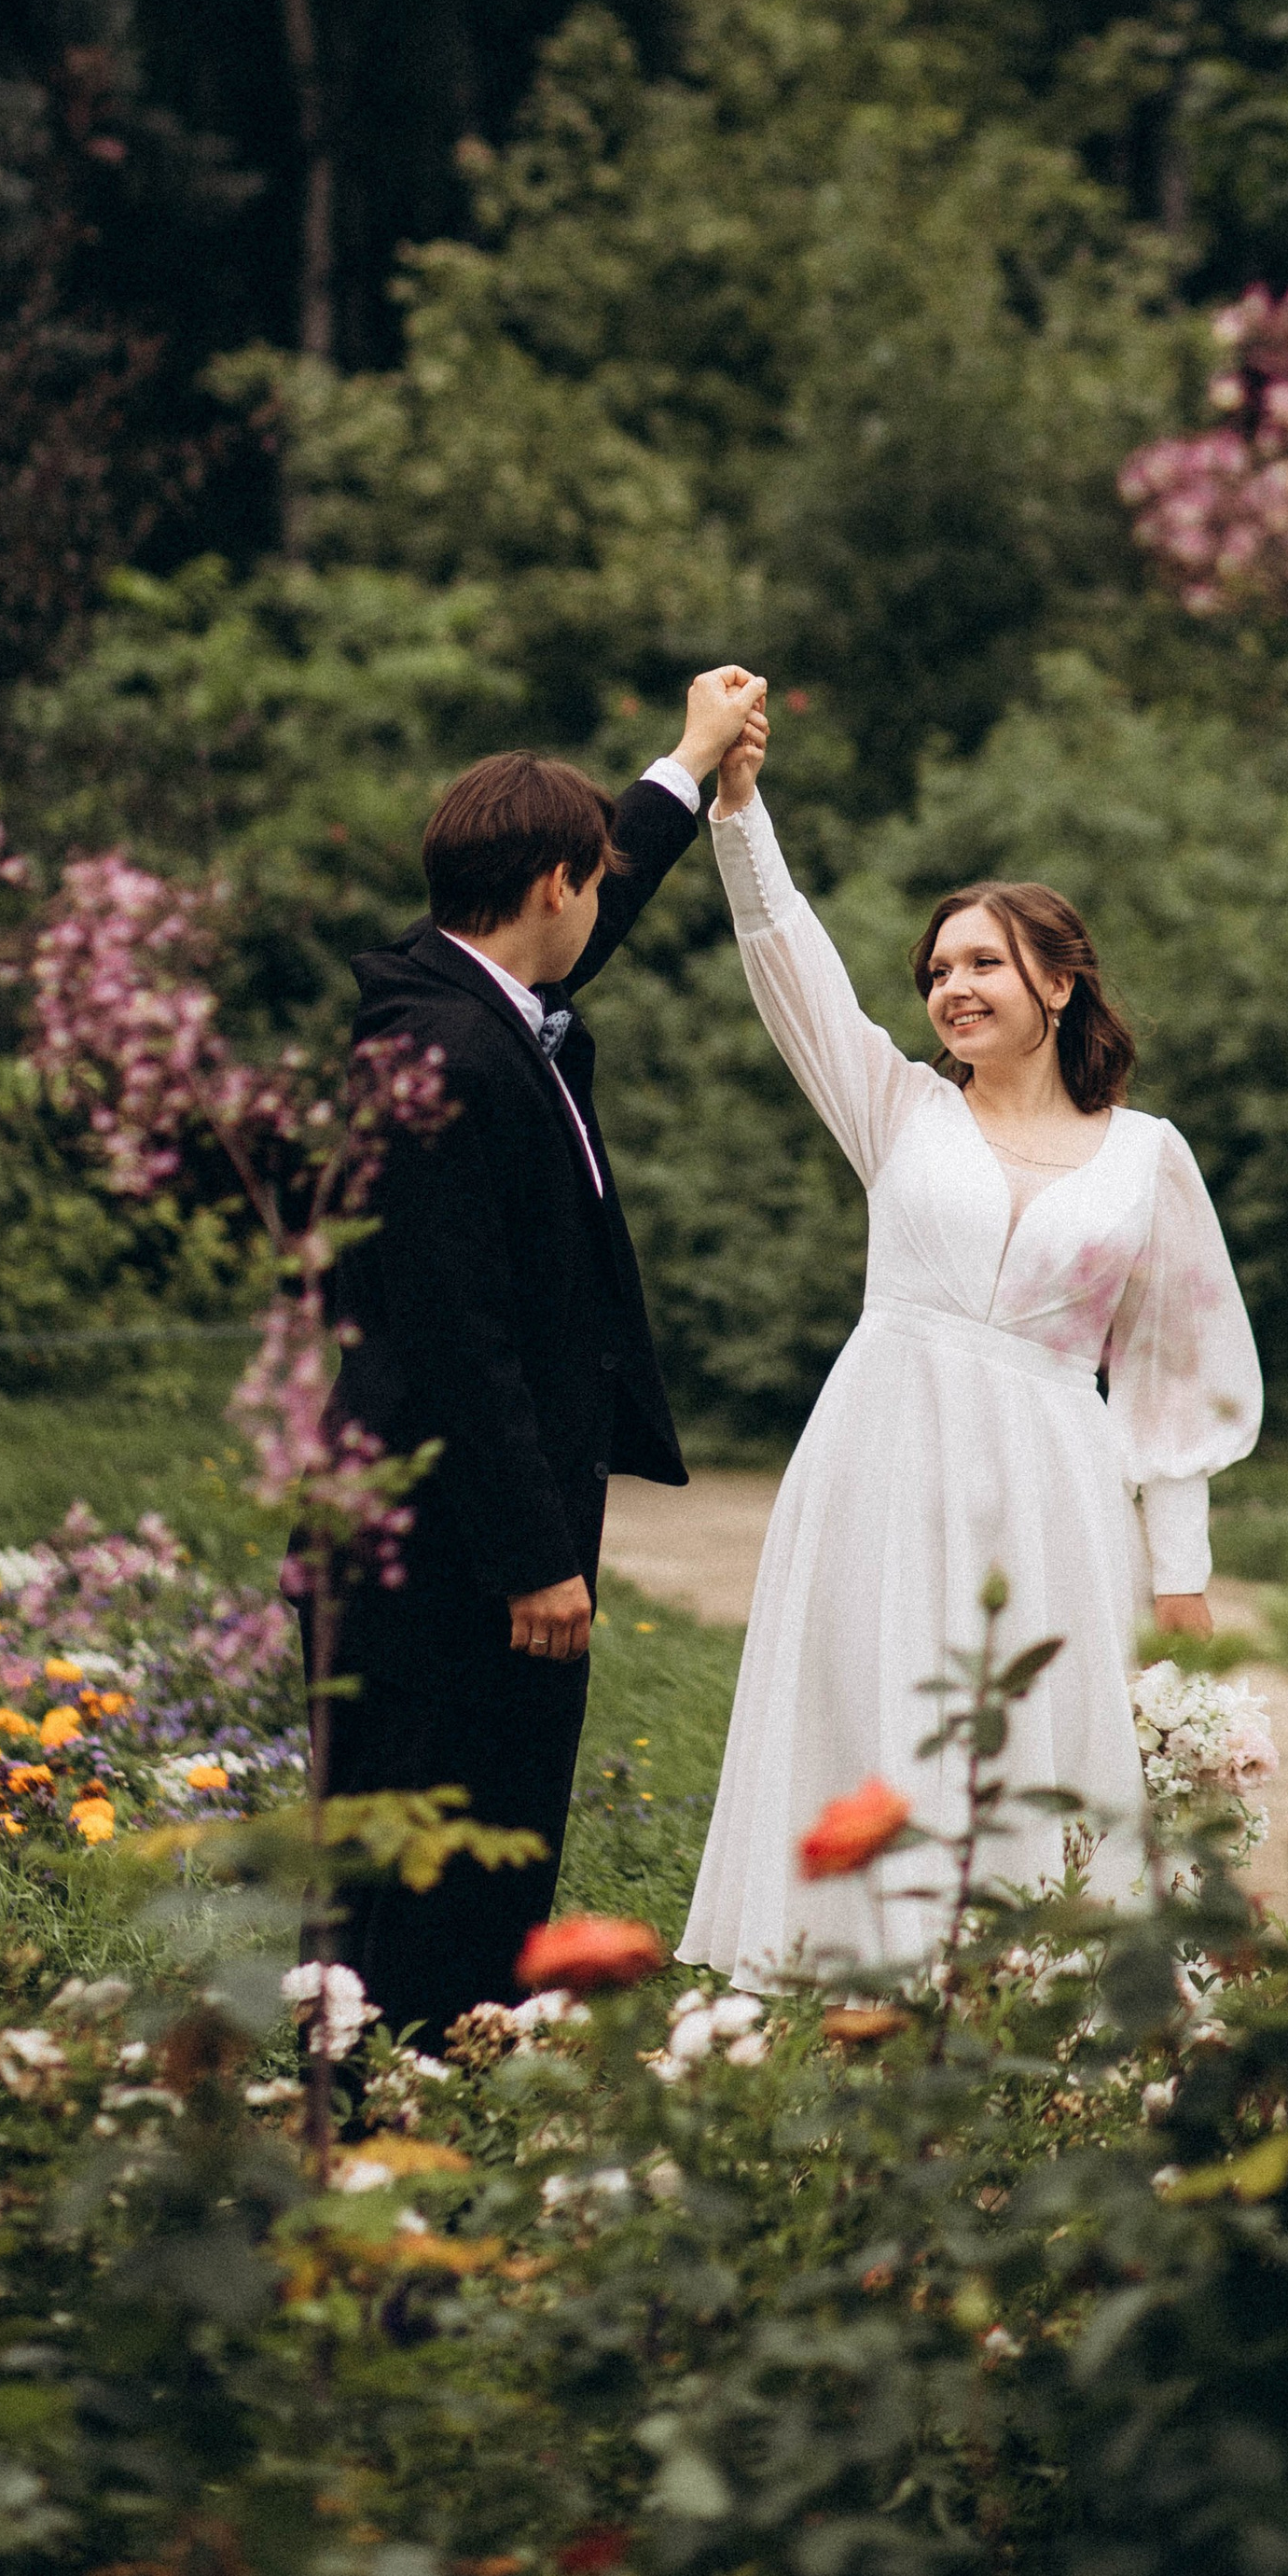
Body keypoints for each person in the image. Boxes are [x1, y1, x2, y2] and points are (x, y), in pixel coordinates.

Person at [683, 703, 1262, 1981]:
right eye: (939, 970)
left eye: (984, 963)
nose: (953, 986)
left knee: (1043, 1743)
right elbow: (793, 965)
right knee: (883, 1717)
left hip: (1055, 1478)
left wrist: (1181, 1571)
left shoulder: (1147, 1155)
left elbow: (1175, 1375)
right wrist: (738, 812)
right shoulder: (895, 1111)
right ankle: (875, 2004)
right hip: (882, 1458)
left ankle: (1038, 1998)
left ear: (1059, 981)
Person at [312, 666, 768, 2035]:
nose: (599, 898)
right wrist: (534, 1557)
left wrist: (684, 765)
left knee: (464, 1863)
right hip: (453, 1553)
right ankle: (403, 2145)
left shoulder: (462, 1000)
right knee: (439, 1872)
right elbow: (462, 1334)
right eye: (592, 877)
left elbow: (600, 907)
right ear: (551, 882)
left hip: (441, 1539)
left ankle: (402, 2138)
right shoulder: (450, 1057)